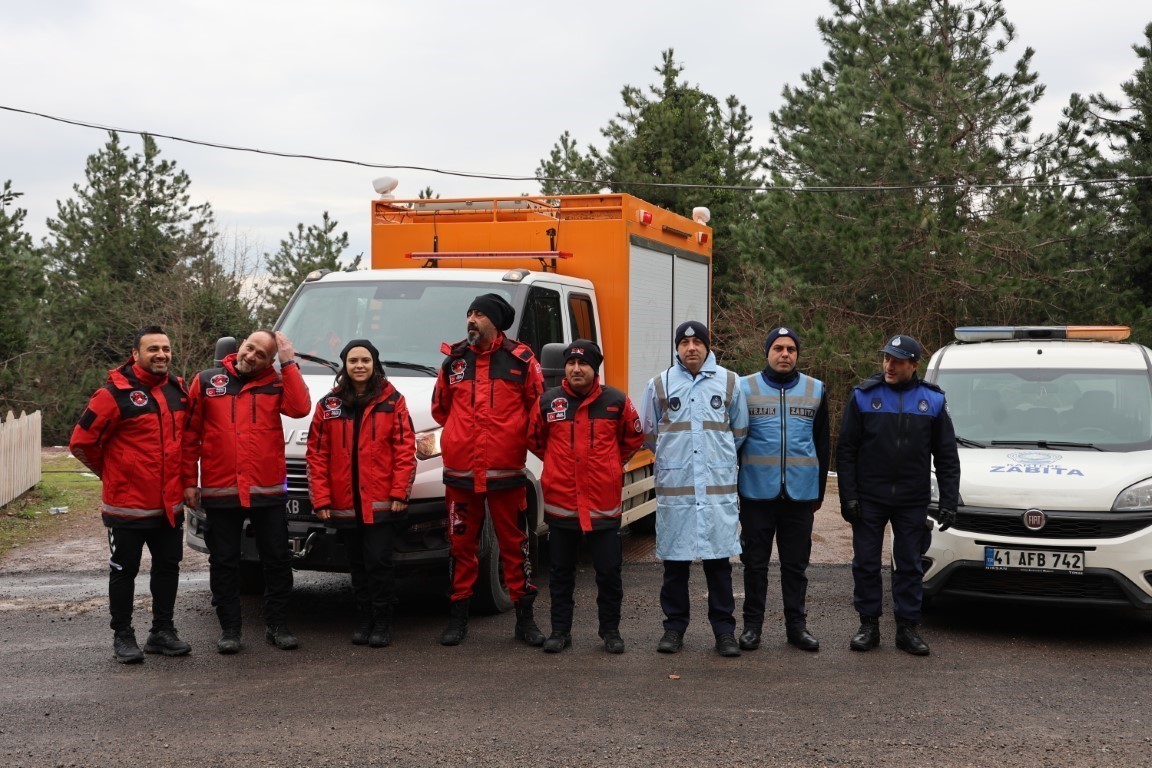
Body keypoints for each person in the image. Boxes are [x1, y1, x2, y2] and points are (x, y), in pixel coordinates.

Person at [182, 329, 311, 654]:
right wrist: (188, 482)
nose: (251, 356)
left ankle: (277, 625)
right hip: (221, 488)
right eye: (249, 348)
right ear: (241, 345)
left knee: (277, 560)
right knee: (224, 562)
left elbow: (300, 408)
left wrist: (288, 361)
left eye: (261, 355)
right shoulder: (207, 381)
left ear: (270, 361)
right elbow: (190, 435)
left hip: (266, 491)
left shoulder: (276, 383)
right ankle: (230, 629)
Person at [69, 326, 191, 664]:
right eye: (153, 349)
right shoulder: (111, 395)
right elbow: (81, 442)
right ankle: (123, 635)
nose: (161, 355)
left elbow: (185, 443)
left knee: (168, 568)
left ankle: (162, 632)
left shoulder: (178, 390)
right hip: (127, 508)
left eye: (166, 348)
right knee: (124, 571)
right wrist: (113, 474)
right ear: (135, 354)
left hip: (169, 506)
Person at [432, 293, 545, 647]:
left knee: (515, 546)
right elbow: (440, 410)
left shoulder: (521, 361)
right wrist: (460, 437)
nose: (472, 320)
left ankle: (524, 619)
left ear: (495, 322)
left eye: (479, 314)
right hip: (461, 474)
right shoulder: (454, 362)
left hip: (505, 472)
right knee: (460, 546)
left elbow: (537, 411)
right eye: (469, 313)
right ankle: (457, 619)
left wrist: (509, 439)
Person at [837, 334, 960, 656]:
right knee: (865, 564)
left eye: (898, 361)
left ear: (914, 365)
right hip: (869, 497)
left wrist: (948, 500)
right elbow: (846, 450)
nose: (889, 365)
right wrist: (847, 496)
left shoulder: (931, 400)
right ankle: (869, 625)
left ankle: (907, 628)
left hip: (911, 499)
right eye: (886, 359)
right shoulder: (864, 396)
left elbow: (946, 455)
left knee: (908, 565)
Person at [529, 339, 645, 654]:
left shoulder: (616, 402)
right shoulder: (548, 402)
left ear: (595, 369)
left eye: (584, 364)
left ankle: (610, 631)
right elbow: (535, 440)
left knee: (609, 573)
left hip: (602, 506)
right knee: (560, 574)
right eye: (571, 363)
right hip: (562, 504)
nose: (577, 369)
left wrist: (610, 465)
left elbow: (633, 438)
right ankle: (560, 632)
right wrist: (556, 463)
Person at [640, 320, 748, 657]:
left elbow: (739, 431)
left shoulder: (730, 382)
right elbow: (649, 434)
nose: (691, 348)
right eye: (685, 343)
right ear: (677, 347)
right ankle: (674, 629)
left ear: (707, 345)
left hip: (715, 492)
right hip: (678, 492)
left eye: (697, 342)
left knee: (719, 565)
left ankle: (724, 632)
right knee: (675, 565)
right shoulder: (659, 384)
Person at [306, 339, 416, 648]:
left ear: (374, 364)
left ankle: (382, 621)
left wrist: (399, 493)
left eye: (365, 360)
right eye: (353, 360)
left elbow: (405, 450)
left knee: (379, 563)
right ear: (344, 365)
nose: (359, 365)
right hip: (344, 503)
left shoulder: (393, 401)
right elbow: (317, 455)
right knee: (356, 564)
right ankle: (364, 618)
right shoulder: (328, 405)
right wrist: (322, 499)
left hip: (381, 502)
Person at [737, 327, 830, 653]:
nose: (785, 354)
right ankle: (752, 628)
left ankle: (797, 627)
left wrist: (818, 494)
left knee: (795, 567)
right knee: (755, 565)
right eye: (778, 348)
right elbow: (735, 441)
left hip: (800, 497)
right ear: (768, 352)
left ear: (797, 354)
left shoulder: (815, 389)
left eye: (791, 348)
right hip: (756, 495)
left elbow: (822, 444)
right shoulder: (744, 388)